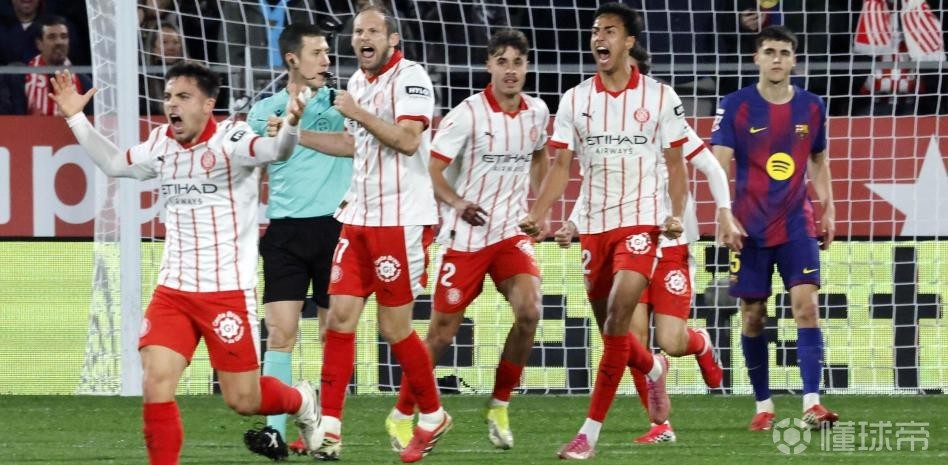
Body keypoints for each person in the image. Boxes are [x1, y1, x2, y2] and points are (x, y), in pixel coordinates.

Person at [49, 61, 322, 464]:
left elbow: (275, 150)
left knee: (244, 400)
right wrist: (76, 118)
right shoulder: (161, 143)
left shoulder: (232, 140)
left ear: (208, 104)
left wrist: (292, 126)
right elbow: (114, 164)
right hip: (174, 292)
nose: (171, 105)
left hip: (226, 293)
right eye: (167, 97)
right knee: (155, 381)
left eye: (183, 96)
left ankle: (301, 401)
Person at [518, 3, 691, 460]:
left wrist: (675, 213)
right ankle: (653, 369)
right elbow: (560, 165)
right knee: (613, 333)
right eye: (596, 31)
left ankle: (588, 435)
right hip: (594, 227)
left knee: (617, 317)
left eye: (610, 31)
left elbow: (676, 165)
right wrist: (539, 213)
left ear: (628, 41)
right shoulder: (575, 99)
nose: (600, 38)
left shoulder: (660, 96)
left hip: (641, 220)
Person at [553, 43, 741, 445]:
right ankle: (659, 425)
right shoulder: (605, 131)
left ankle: (700, 343)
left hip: (670, 244)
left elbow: (711, 167)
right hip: (626, 238)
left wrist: (724, 212)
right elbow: (593, 187)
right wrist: (572, 222)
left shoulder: (668, 121)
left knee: (671, 341)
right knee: (629, 336)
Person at [384, 28, 549, 453]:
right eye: (502, 61)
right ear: (488, 65)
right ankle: (401, 413)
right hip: (466, 237)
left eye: (517, 62)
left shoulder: (537, 112)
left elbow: (539, 155)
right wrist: (458, 203)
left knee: (530, 311)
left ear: (526, 67)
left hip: (510, 232)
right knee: (441, 334)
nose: (510, 71)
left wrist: (539, 209)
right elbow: (432, 170)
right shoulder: (467, 115)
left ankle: (499, 404)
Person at [314, 4, 450, 463]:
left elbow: (409, 140)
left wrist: (356, 111)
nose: (363, 38)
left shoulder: (412, 78)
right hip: (359, 217)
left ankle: (432, 415)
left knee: (394, 328)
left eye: (373, 30)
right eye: (358, 31)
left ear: (393, 39)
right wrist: (297, 139)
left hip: (401, 219)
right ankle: (330, 429)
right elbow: (355, 144)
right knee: (339, 319)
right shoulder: (357, 82)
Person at [711, 25, 839, 431]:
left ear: (794, 60)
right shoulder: (735, 105)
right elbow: (718, 163)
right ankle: (763, 405)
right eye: (769, 52)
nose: (777, 59)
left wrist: (828, 209)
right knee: (753, 316)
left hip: (797, 222)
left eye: (784, 52)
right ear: (757, 58)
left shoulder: (813, 106)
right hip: (748, 227)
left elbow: (818, 160)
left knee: (807, 307)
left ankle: (812, 403)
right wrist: (723, 214)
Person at [240, 23, 353, 461]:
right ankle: (274, 433)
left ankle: (327, 432)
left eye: (327, 52)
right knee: (280, 334)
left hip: (335, 228)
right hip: (285, 230)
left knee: (331, 334)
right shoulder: (262, 111)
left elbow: (353, 145)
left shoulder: (342, 103)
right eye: (317, 53)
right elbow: (254, 166)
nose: (327, 60)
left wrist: (296, 128)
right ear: (292, 59)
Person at [25, 15, 90, 115]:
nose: (59, 42)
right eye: (52, 37)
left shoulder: (83, 81)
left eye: (64, 37)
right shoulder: (23, 78)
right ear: (39, 44)